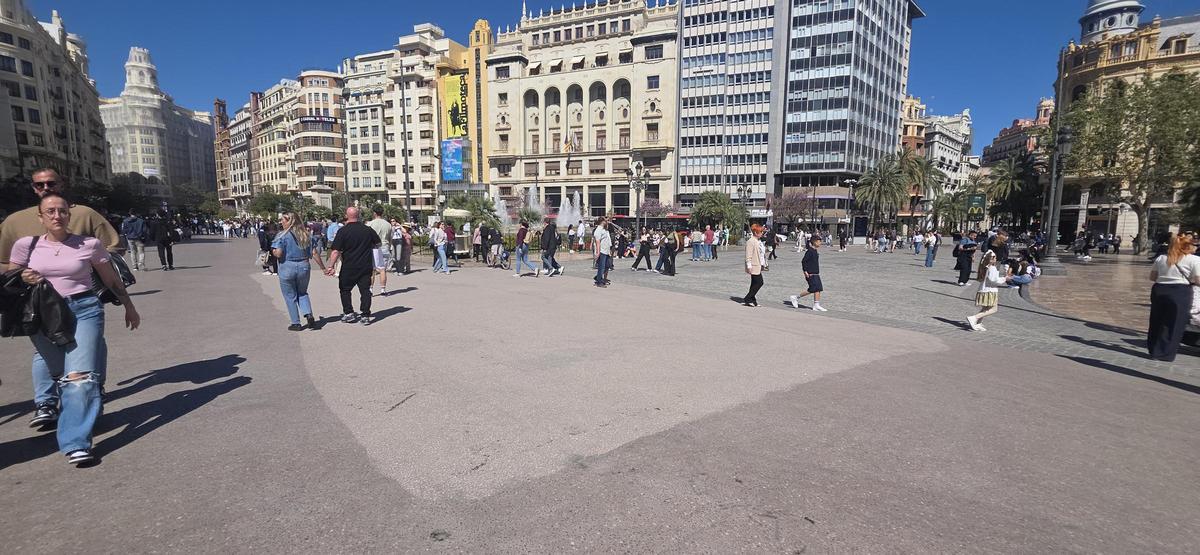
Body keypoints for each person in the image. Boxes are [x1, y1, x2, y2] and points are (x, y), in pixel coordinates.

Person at [10, 192, 140, 465]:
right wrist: (23, 276)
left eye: (62, 211)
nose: (57, 216)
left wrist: (128, 305)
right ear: (41, 217)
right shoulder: (26, 246)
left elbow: (110, 278)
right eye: (51, 212)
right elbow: (11, 281)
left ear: (69, 214)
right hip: (43, 315)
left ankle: (76, 441)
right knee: (60, 374)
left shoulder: (89, 244)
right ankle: (78, 409)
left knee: (79, 377)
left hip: (84, 310)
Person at [1147, 233, 1200, 362]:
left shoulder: (1162, 258)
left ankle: (1153, 349)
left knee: (1156, 320)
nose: (1196, 247)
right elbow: (1198, 279)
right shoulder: (1194, 260)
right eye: (1195, 245)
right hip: (1180, 291)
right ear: (1188, 246)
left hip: (1160, 290)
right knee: (1174, 323)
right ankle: (1164, 352)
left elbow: (1152, 277)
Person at [324, 207, 380, 325]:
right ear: (358, 215)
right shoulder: (367, 230)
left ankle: (349, 313)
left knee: (345, 289)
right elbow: (378, 243)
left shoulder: (343, 231)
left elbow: (335, 251)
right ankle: (365, 315)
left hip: (349, 265)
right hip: (365, 265)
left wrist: (330, 266)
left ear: (346, 215)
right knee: (365, 290)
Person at [271, 212, 326, 331]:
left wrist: (273, 252)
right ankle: (308, 314)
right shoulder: (306, 235)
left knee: (290, 296)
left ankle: (296, 322)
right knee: (302, 292)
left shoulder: (281, 236)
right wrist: (323, 267)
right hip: (304, 266)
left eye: (283, 221)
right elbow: (314, 253)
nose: (281, 223)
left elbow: (279, 253)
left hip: (287, 266)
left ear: (289, 222)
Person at [966, 251, 1009, 332]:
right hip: (990, 291)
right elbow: (994, 280)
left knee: (985, 308)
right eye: (994, 258)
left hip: (984, 290)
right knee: (994, 309)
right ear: (990, 259)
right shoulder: (992, 268)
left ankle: (978, 323)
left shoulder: (985, 267)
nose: (996, 259)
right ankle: (974, 318)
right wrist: (1004, 279)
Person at [790, 236, 827, 311]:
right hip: (810, 274)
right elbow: (804, 261)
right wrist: (805, 271)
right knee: (813, 289)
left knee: (818, 288)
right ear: (815, 242)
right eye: (819, 241)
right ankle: (796, 297)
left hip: (816, 273)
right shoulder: (810, 251)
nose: (820, 243)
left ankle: (816, 305)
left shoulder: (815, 250)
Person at [366, 207, 392, 296]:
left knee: (372, 269)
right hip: (384, 246)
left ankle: (370, 289)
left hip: (373, 247)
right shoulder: (388, 224)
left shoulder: (370, 224)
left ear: (374, 213)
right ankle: (383, 289)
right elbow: (390, 237)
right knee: (382, 269)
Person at [743, 224, 766, 307]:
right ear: (756, 232)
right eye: (760, 232)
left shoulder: (758, 241)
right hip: (753, 265)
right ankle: (748, 298)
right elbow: (748, 255)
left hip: (758, 264)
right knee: (759, 282)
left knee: (754, 283)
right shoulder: (751, 241)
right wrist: (749, 266)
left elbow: (761, 254)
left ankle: (752, 299)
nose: (762, 233)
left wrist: (763, 264)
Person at [593, 217, 611, 287]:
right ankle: (599, 282)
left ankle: (598, 277)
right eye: (606, 221)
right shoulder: (598, 230)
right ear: (602, 221)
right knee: (602, 267)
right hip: (602, 251)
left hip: (606, 250)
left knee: (607, 265)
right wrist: (598, 252)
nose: (607, 222)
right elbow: (597, 242)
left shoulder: (604, 229)